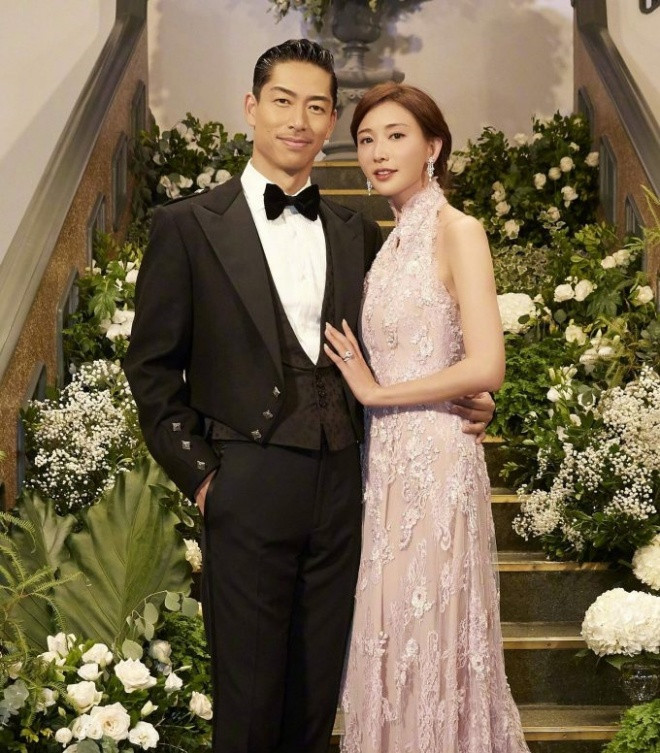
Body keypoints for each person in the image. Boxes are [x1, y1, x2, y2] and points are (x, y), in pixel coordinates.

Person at [124, 40, 495, 753]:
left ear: (328, 123)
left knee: (318, 697)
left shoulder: (358, 232)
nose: (299, 120)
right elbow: (152, 368)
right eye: (283, 101)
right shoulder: (187, 225)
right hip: (246, 479)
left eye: (317, 107)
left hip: (350, 486)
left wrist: (472, 398)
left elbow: (404, 343)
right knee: (248, 698)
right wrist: (202, 477)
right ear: (251, 107)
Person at [325, 82, 529, 753]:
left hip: (438, 463)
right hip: (384, 464)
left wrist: (376, 394)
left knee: (431, 634)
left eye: (396, 135)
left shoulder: (458, 230)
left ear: (433, 146)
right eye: (366, 139)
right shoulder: (387, 245)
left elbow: (487, 363)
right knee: (392, 640)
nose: (378, 152)